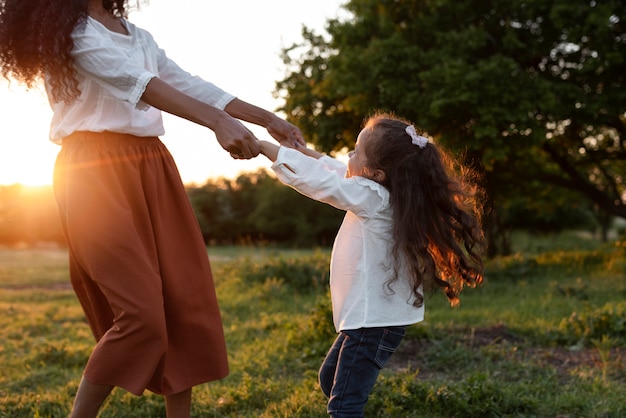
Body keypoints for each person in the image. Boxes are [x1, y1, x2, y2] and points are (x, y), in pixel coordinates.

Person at [0, 0, 304, 417]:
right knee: (141, 316)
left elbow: (187, 83)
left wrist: (267, 118)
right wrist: (217, 123)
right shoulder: (72, 32)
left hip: (152, 164)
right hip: (92, 172)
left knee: (181, 303)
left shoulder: (137, 35)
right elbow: (141, 83)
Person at [257, 112, 485, 417]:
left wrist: (261, 146)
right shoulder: (383, 192)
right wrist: (299, 151)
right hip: (373, 321)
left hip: (372, 323)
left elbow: (322, 181)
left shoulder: (372, 197)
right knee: (330, 382)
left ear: (376, 173)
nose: (349, 155)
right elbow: (336, 170)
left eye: (355, 151)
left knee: (344, 406)